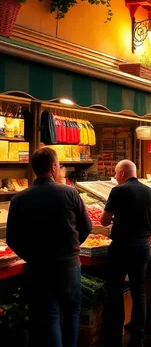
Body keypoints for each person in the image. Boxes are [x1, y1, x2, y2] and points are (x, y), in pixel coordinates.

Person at [7, 148, 91, 347]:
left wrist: (31, 256)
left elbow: (12, 238)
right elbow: (86, 227)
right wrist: (72, 248)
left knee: (49, 315)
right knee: (72, 312)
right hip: (69, 266)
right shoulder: (70, 193)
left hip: (39, 267)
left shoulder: (19, 199)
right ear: (53, 168)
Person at [100, 160, 151, 347]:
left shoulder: (118, 191)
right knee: (139, 290)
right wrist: (144, 230)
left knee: (116, 290)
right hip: (142, 246)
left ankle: (114, 335)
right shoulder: (150, 192)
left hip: (121, 247)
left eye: (115, 174)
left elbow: (104, 221)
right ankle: (138, 337)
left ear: (121, 173)